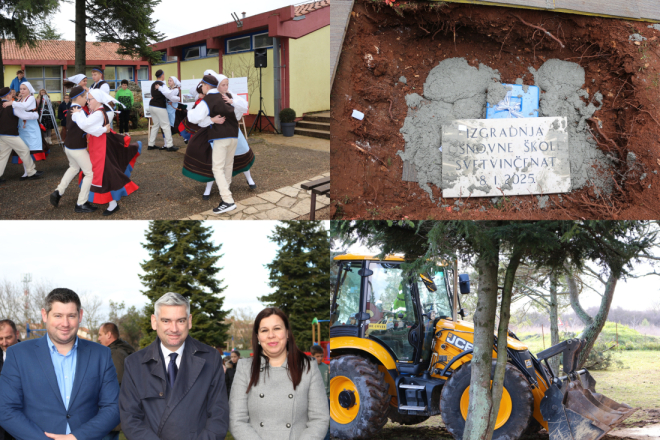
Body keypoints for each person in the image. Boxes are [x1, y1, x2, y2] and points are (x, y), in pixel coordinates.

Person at [0, 288, 120, 440]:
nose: (65, 323)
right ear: (45, 315)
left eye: (71, 316)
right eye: (58, 315)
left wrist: (77, 437)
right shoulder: (18, 354)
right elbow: (5, 409)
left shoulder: (100, 354)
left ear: (80, 315)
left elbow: (114, 408)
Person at [119, 292, 229, 440]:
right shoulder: (134, 364)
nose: (174, 329)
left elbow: (219, 415)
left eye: (181, 321)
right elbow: (130, 419)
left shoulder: (211, 359)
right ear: (154, 321)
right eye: (166, 321)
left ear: (189, 321)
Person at [229, 307, 329, 440]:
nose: (271, 335)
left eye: (277, 328)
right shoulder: (245, 368)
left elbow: (319, 418)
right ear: (258, 336)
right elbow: (237, 420)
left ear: (287, 333)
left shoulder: (308, 367)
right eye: (264, 330)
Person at [71, 88, 141, 216]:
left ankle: (112, 203)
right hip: (98, 147)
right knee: (103, 173)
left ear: (97, 100)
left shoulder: (98, 113)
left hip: (101, 148)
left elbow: (86, 126)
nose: (87, 101)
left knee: (105, 174)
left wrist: (77, 114)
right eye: (87, 99)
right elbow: (91, 129)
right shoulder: (96, 111)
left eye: (90, 99)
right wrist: (102, 129)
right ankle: (110, 202)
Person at [181, 82, 254, 200]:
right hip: (213, 133)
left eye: (226, 84)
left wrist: (233, 102)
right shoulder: (208, 99)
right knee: (213, 162)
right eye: (222, 85)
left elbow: (242, 108)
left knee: (241, 155)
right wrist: (210, 118)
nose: (225, 87)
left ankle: (246, 181)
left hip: (232, 133)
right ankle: (211, 189)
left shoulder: (228, 95)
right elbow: (197, 116)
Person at [50, 86, 101, 213]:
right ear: (79, 97)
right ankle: (81, 203)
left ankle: (58, 192)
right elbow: (86, 126)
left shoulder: (71, 109)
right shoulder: (78, 110)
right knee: (90, 173)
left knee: (73, 168)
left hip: (69, 147)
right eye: (85, 97)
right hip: (77, 148)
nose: (86, 100)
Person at [3, 82, 50, 176]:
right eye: (20, 89)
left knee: (29, 148)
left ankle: (29, 171)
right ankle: (27, 171)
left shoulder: (31, 98)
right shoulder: (20, 100)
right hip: (22, 127)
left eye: (24, 89)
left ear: (29, 89)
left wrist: (12, 102)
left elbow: (24, 107)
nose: (22, 91)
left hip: (31, 126)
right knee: (24, 149)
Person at [98, 322, 135, 440]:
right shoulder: (120, 351)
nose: (99, 338)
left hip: (110, 412)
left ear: (108, 335)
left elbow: (114, 385)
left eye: (100, 335)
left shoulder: (116, 354)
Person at [0, 87, 42, 185]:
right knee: (25, 150)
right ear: (7, 96)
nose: (12, 95)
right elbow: (24, 116)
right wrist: (35, 115)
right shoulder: (12, 106)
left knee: (3, 156)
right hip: (11, 135)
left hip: (1, 135)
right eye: (11, 94)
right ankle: (31, 172)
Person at [147, 69, 179, 152]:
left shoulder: (153, 84)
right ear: (162, 75)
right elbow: (168, 94)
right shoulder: (162, 85)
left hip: (151, 106)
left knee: (156, 125)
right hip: (160, 107)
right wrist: (178, 98)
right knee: (166, 125)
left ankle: (151, 144)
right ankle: (169, 145)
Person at [0, 319, 19, 440]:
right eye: (0, 339)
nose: (4, 343)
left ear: (17, 334)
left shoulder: (32, 354)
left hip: (23, 421)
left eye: (8, 337)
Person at [310, 345, 330, 440]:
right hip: (312, 400)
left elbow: (328, 382)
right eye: (317, 356)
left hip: (325, 399)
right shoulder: (307, 367)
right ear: (312, 356)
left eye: (321, 356)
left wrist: (329, 395)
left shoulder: (326, 367)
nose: (320, 358)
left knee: (325, 423)